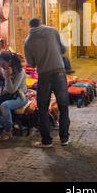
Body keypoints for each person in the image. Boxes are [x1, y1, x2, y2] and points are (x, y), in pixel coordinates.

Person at [24, 18, 70, 148]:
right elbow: (63, 48)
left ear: (30, 27)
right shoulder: (52, 31)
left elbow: (31, 63)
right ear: (41, 24)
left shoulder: (27, 41)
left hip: (44, 75)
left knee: (43, 108)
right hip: (59, 72)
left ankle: (47, 141)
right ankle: (64, 138)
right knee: (63, 106)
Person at [0, 51, 28, 141]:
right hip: (10, 96)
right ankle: (5, 126)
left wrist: (7, 77)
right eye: (0, 63)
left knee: (4, 105)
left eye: (3, 63)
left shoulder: (20, 71)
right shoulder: (4, 70)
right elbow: (8, 88)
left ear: (9, 61)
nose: (1, 66)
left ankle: (8, 131)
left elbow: (12, 89)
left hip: (21, 97)